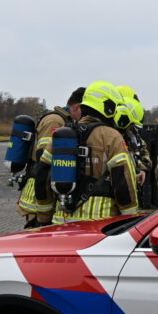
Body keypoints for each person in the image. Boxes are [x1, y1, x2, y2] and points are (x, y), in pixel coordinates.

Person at [51, 81, 140, 223]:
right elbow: (123, 182)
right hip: (97, 224)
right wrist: (130, 218)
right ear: (108, 107)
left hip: (61, 220)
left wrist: (44, 218)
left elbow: (44, 174)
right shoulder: (111, 136)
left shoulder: (63, 135)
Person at [16, 86, 84, 228]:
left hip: (46, 195)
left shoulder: (67, 121)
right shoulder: (55, 121)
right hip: (37, 197)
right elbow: (44, 158)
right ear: (77, 107)